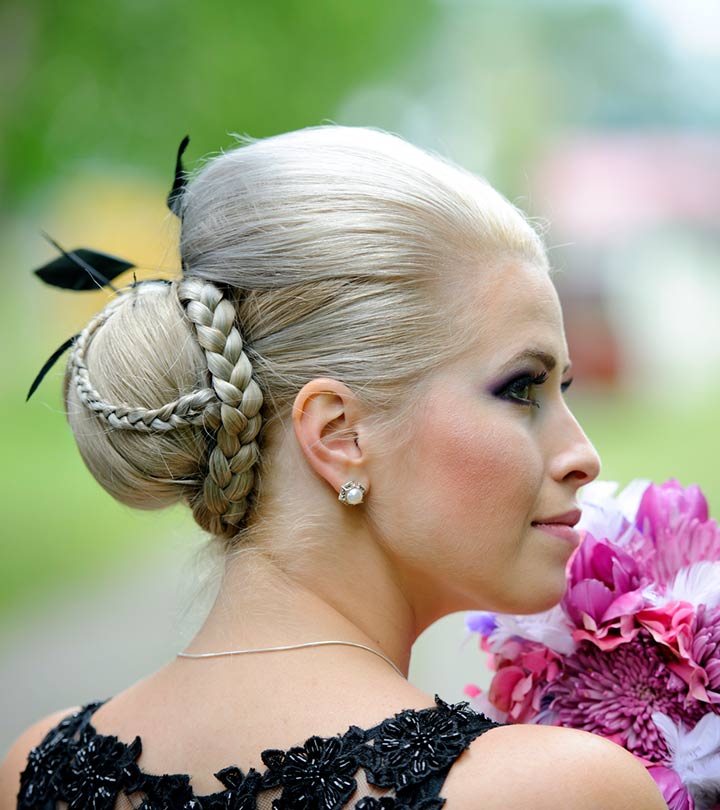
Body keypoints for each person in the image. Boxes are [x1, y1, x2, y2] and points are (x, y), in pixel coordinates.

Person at [0, 126, 667, 809]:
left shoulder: (40, 768)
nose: (583, 456)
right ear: (340, 433)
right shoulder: (554, 790)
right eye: (522, 388)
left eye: (565, 391)